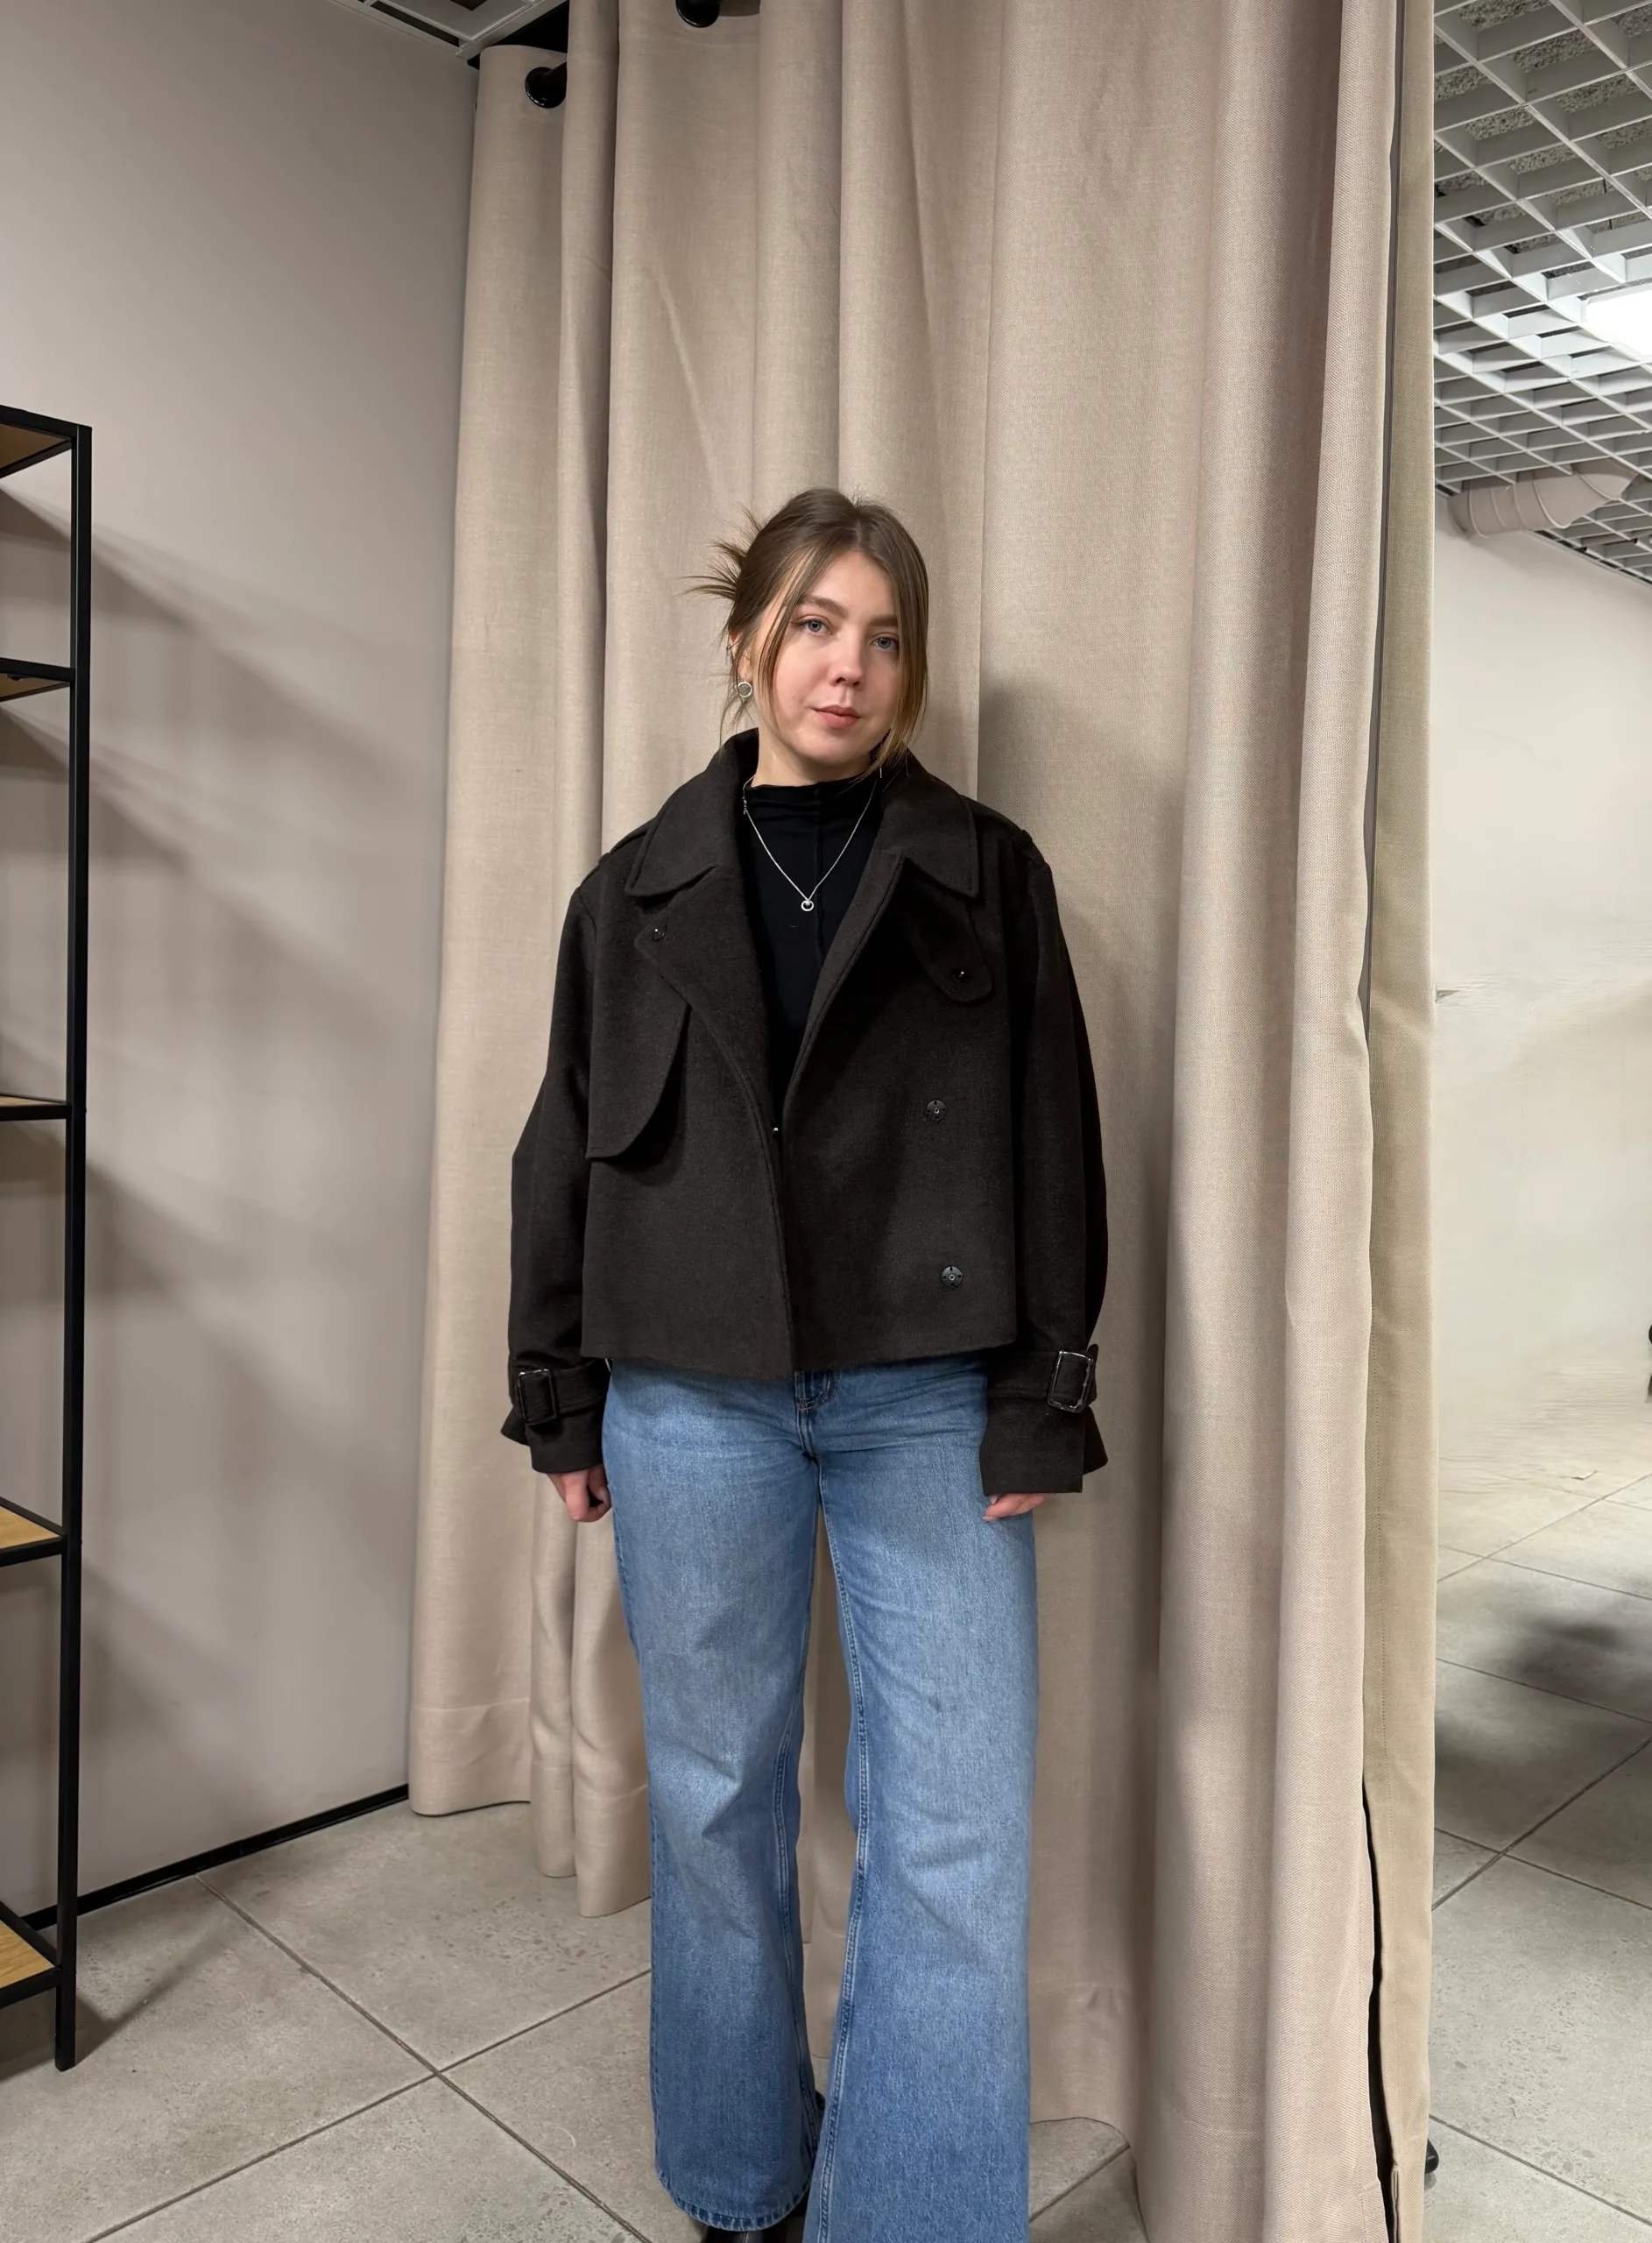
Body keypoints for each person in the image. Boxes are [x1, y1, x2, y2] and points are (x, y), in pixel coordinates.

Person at [504, 487, 1106, 2243]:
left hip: (927, 1392)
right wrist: (557, 1390)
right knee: (711, 1799)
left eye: (885, 635)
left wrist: (1041, 1397)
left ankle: (906, 2212)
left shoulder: (985, 869)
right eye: (817, 624)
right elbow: (561, 1149)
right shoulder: (631, 890)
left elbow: (1054, 1142)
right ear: (747, 639)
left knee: (955, 1827)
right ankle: (737, 2176)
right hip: (687, 1395)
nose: (850, 665)